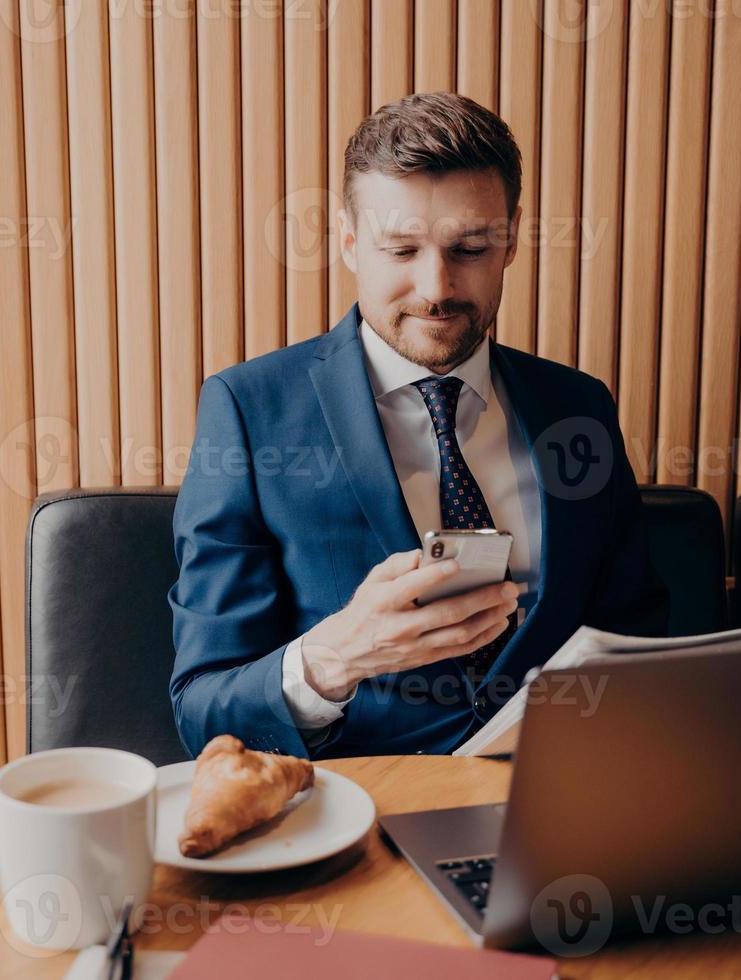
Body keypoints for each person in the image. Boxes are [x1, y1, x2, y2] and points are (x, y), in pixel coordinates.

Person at [169, 91, 669, 759]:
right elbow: (203, 708)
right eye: (401, 249)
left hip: (561, 812)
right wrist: (334, 659)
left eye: (469, 247)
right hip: (357, 824)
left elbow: (636, 636)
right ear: (348, 242)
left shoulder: (579, 407)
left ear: (512, 238)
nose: (436, 287)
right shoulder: (248, 409)